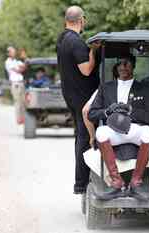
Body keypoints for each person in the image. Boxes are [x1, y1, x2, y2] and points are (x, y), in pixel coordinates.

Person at [88, 56, 149, 201]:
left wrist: (131, 110)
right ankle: (117, 182)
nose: (123, 67)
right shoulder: (105, 88)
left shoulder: (144, 88)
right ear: (116, 66)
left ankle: (135, 183)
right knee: (100, 132)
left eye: (127, 63)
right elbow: (91, 114)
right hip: (114, 130)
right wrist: (108, 111)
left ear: (134, 66)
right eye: (120, 63)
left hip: (134, 128)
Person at [56, 5, 100, 195]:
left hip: (71, 95)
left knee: (80, 138)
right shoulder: (75, 42)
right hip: (82, 97)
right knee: (85, 139)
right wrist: (94, 51)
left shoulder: (62, 39)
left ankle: (82, 181)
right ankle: (82, 183)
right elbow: (86, 69)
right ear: (81, 20)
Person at [5, 46, 26, 124]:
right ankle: (18, 119)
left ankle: (23, 118)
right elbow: (18, 70)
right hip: (15, 83)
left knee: (23, 101)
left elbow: (24, 67)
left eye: (14, 51)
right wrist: (21, 68)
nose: (14, 53)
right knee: (17, 101)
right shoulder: (8, 62)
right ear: (9, 53)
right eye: (12, 52)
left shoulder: (17, 61)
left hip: (21, 82)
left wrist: (24, 59)